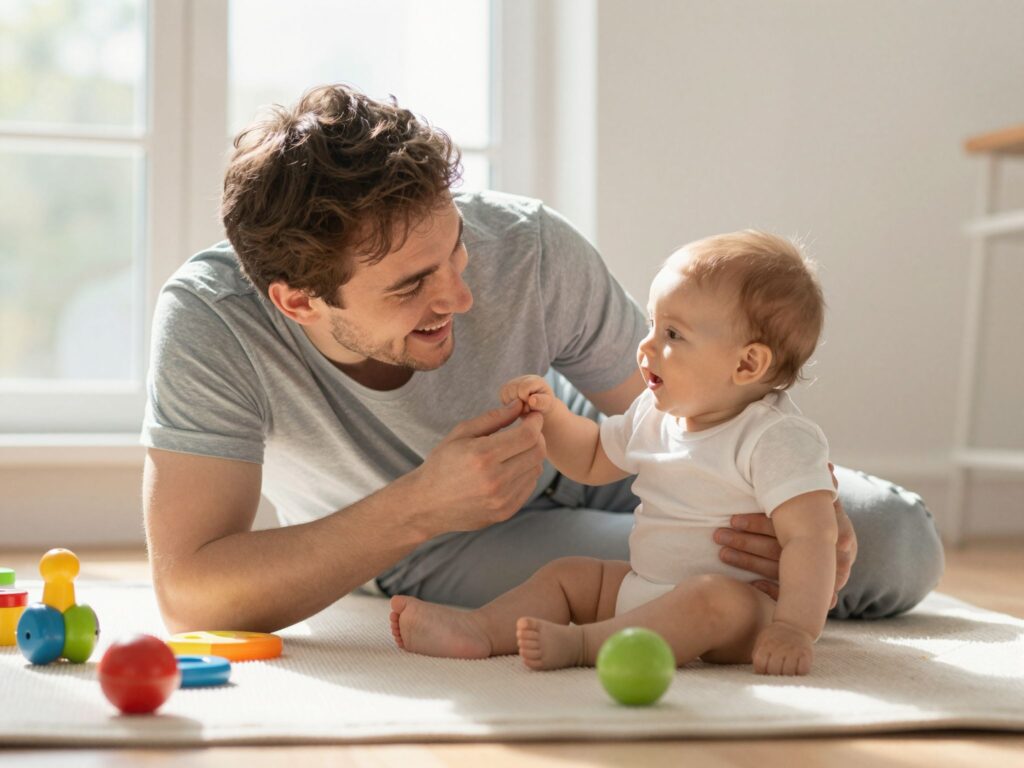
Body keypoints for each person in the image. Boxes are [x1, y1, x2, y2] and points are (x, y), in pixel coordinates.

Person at [141, 83, 943, 635]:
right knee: (672, 588)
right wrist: (422, 506)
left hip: (603, 445)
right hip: (434, 542)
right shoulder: (213, 323)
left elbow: (681, 410)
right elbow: (189, 596)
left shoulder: (527, 246)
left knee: (892, 541)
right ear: (299, 302)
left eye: (456, 249)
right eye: (413, 285)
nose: (460, 295)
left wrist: (794, 506)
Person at [391, 232, 839, 675]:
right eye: (651, 324)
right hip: (644, 586)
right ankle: (482, 630)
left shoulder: (774, 437)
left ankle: (585, 644)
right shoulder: (655, 414)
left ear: (746, 364)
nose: (646, 346)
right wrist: (551, 415)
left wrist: (794, 628)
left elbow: (812, 539)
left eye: (672, 334)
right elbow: (590, 458)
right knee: (568, 575)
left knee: (710, 597)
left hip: (739, 612)